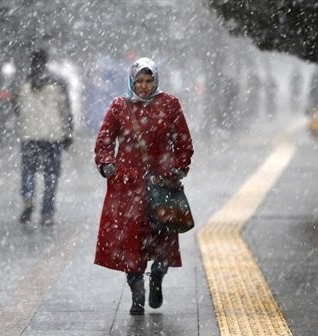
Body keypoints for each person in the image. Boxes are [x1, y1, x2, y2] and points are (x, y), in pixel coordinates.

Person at [93, 57, 193, 315]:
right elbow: (104, 140)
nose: (145, 86)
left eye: (149, 81)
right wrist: (107, 165)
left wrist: (179, 168)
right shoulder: (119, 107)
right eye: (139, 81)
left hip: (162, 183)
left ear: (156, 80)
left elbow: (183, 140)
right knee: (130, 242)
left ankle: (158, 275)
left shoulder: (169, 105)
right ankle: (137, 294)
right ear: (131, 81)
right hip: (127, 187)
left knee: (162, 239)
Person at [15, 48, 73, 226]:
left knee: (28, 170)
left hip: (29, 134)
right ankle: (47, 212)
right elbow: (65, 111)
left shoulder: (23, 83)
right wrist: (68, 132)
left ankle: (28, 197)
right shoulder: (58, 83)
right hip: (53, 135)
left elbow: (17, 110)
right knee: (51, 174)